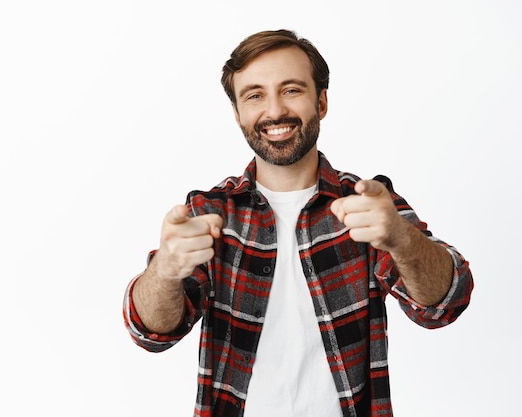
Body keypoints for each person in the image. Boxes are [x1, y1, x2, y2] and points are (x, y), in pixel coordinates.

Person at [122, 29, 473, 417]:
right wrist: (166, 270)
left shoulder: (368, 204)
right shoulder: (209, 212)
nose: (274, 111)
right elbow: (149, 332)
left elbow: (446, 303)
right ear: (238, 114)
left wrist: (402, 240)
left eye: (291, 90)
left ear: (321, 101)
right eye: (255, 95)